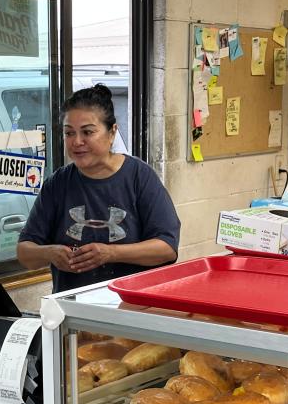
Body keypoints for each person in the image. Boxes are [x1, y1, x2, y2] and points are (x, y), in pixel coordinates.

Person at [17, 84, 180, 292]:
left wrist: (112, 253)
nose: (77, 142)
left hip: (130, 307)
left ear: (112, 132)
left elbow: (167, 248)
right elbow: (25, 252)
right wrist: (50, 253)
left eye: (87, 132)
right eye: (69, 133)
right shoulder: (57, 183)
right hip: (72, 311)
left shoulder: (139, 177)